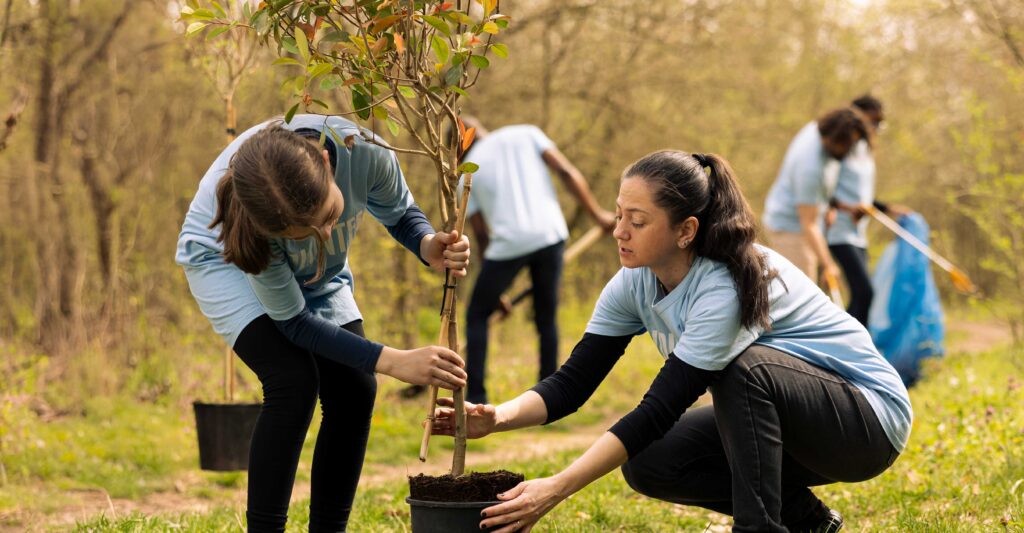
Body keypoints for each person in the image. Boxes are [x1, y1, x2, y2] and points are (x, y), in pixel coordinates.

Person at [432, 150, 912, 532]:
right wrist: (498, 417)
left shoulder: (726, 284)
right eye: (619, 215)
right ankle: (808, 522)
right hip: (796, 424)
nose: (619, 231)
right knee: (650, 460)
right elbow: (573, 383)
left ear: (686, 231)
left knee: (743, 370)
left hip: (865, 424)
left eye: (637, 221)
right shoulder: (634, 280)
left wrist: (556, 488)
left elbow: (659, 408)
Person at [175, 114, 471, 532]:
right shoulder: (252, 226)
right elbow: (295, 324)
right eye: (306, 234)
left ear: (328, 165)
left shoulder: (364, 150)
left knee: (355, 389)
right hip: (224, 262)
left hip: (316, 272)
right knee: (292, 381)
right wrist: (393, 360)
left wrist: (427, 244)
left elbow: (400, 211)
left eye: (330, 217)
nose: (328, 236)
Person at [459, 116, 616, 404]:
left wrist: (496, 293)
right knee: (546, 316)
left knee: (477, 316)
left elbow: (481, 236)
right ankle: (550, 395)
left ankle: (477, 398)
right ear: (480, 129)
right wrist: (598, 215)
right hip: (550, 236)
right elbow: (566, 172)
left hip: (507, 247)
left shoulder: (467, 173)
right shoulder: (527, 133)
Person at [825, 95, 911, 325]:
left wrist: (888, 208)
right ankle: (850, 342)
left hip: (858, 232)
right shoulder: (840, 148)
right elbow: (822, 190)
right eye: (873, 121)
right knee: (865, 292)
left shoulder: (865, 152)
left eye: (879, 123)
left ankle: (848, 340)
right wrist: (845, 208)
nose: (875, 127)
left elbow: (861, 196)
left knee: (861, 295)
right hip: (837, 231)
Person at [762, 107, 872, 286]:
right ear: (833, 138)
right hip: (790, 230)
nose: (850, 150)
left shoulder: (817, 129)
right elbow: (808, 223)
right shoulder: (810, 168)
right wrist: (829, 265)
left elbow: (819, 194)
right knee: (803, 292)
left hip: (804, 222)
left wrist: (838, 207)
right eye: (847, 144)